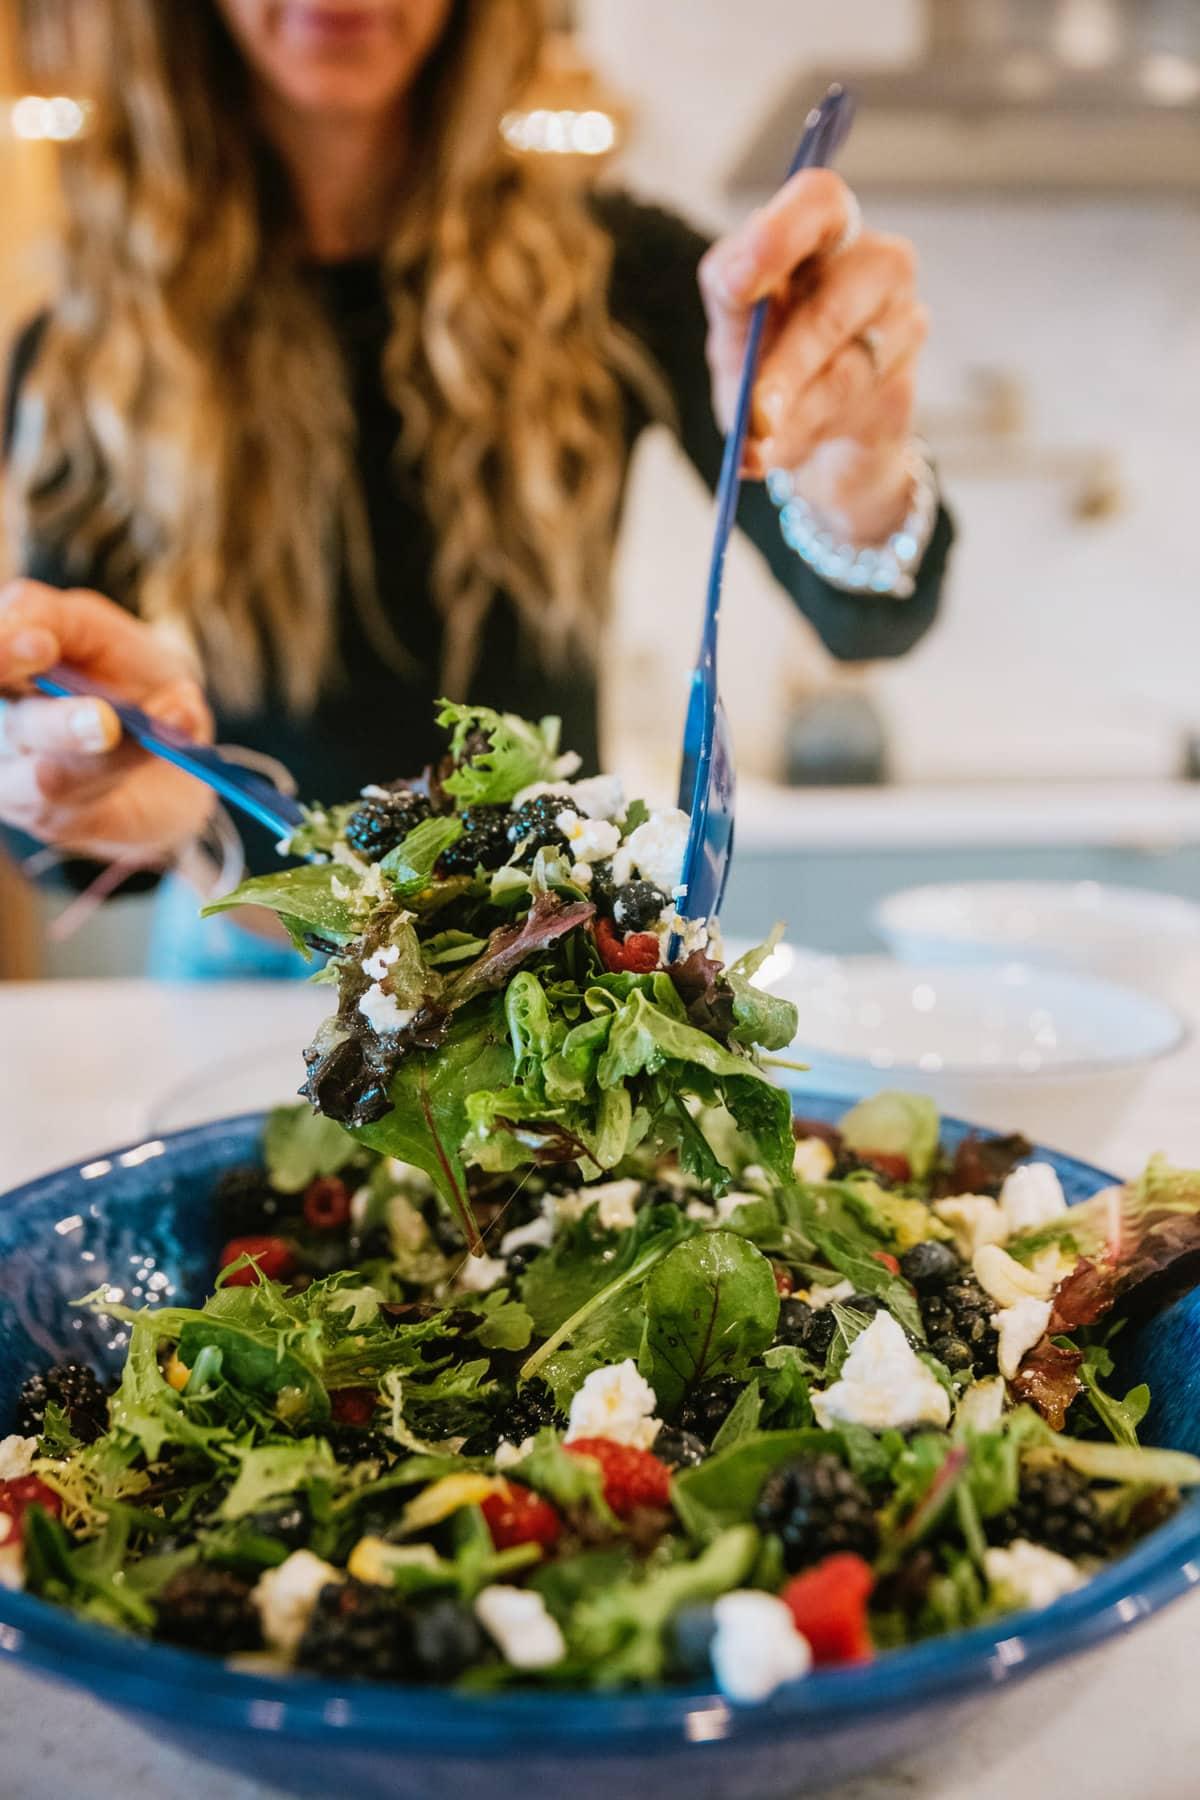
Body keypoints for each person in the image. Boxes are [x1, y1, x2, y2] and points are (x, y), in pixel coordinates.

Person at [0, 0, 952, 977]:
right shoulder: (95, 345)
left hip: (546, 973)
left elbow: (865, 621)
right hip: (256, 961)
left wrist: (855, 477)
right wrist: (67, 778)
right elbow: (61, 800)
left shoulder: (615, 272)